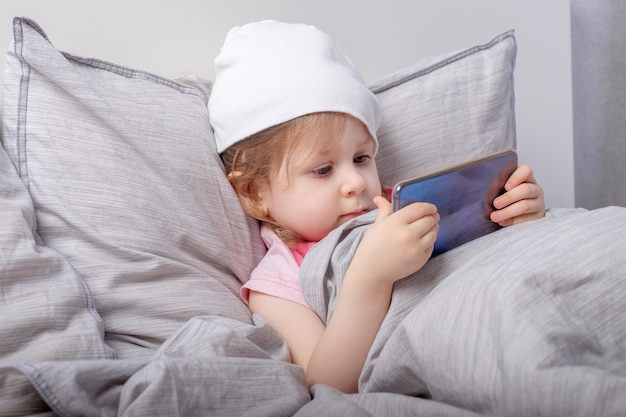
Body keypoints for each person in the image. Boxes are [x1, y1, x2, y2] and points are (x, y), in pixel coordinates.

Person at [208, 20, 545, 393]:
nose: (355, 182)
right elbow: (328, 382)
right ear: (255, 192)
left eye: (362, 158)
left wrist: (517, 216)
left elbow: (485, 259)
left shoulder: (410, 202)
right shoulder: (278, 281)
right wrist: (369, 279)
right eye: (322, 170)